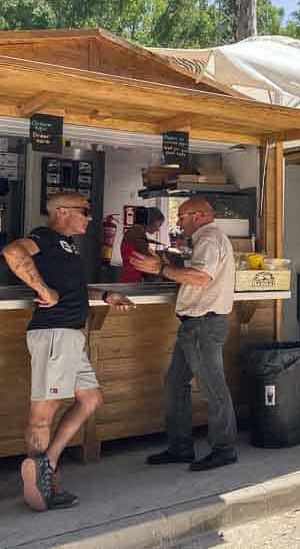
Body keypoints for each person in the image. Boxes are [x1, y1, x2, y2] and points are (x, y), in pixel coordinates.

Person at [2, 193, 133, 511]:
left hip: (71, 336)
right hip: (53, 334)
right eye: (84, 212)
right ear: (62, 212)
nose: (90, 218)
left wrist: (104, 294)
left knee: (90, 399)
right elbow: (12, 251)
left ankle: (45, 463)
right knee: (42, 414)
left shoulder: (68, 246)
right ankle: (43, 481)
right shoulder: (44, 236)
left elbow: (73, 287)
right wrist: (42, 289)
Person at [130, 197, 238, 471]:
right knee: (175, 385)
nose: (178, 222)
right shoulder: (207, 239)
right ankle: (180, 448)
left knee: (214, 389)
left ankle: (224, 449)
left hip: (203, 324)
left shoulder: (209, 238)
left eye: (182, 216)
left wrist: (161, 269)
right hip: (195, 325)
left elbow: (201, 277)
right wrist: (172, 262)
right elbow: (197, 273)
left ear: (199, 215)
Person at [119, 207, 165, 283]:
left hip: (131, 278)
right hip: (132, 279)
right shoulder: (137, 230)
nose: (158, 229)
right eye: (159, 225)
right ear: (151, 221)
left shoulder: (135, 230)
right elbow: (147, 256)